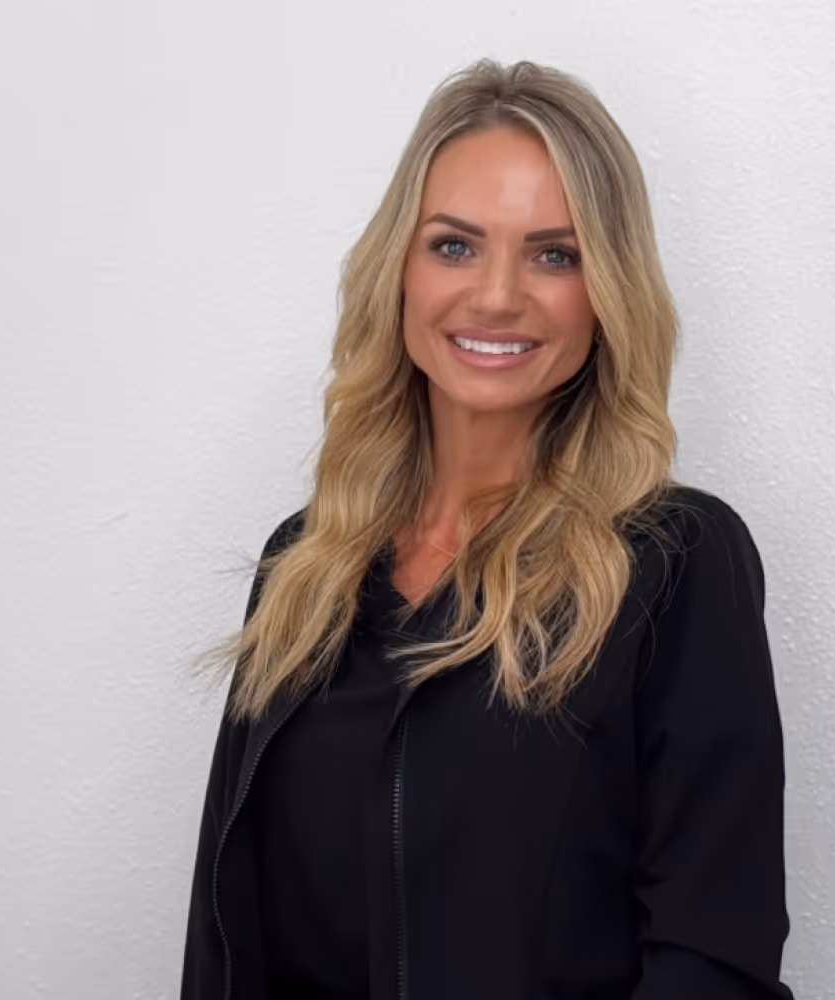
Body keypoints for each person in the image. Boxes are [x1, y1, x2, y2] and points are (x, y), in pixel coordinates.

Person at [181, 58, 794, 999]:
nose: (498, 295)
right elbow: (226, 946)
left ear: (608, 291)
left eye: (556, 253)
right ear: (399, 269)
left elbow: (712, 956)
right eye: (455, 246)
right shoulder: (302, 567)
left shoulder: (675, 565)